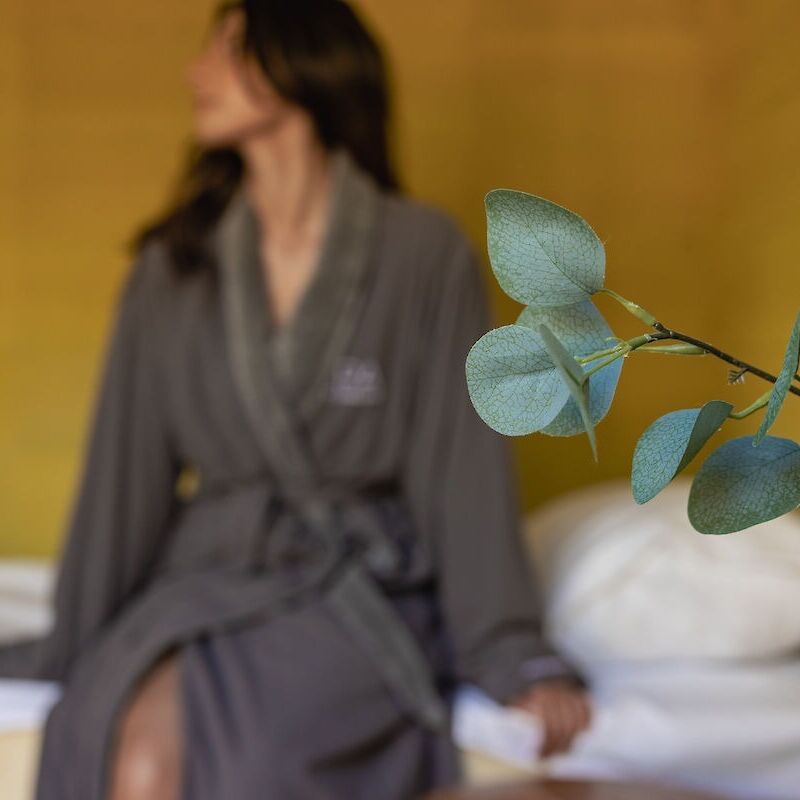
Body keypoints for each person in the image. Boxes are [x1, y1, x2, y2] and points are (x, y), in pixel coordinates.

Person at [0, 2, 591, 798]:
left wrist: (511, 648)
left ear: (302, 63)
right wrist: (74, 637)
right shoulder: (172, 267)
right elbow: (122, 480)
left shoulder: (422, 255)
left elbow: (463, 470)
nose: (194, 73)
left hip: (351, 588)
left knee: (240, 764)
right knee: (117, 741)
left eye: (228, 49)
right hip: (207, 576)